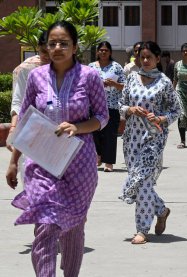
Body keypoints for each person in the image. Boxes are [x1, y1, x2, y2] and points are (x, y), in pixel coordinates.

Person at [5, 20, 109, 277]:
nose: (58, 48)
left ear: (75, 47)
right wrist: (13, 161)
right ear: (46, 47)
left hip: (79, 163)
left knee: (73, 227)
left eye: (64, 43)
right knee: (46, 225)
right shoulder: (36, 77)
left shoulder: (90, 76)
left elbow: (103, 117)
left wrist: (78, 127)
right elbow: (27, 120)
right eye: (52, 43)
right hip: (41, 163)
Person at [118, 41, 181, 244]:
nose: (144, 61)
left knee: (143, 180)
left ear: (157, 59)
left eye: (149, 57)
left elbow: (176, 110)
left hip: (153, 138)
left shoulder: (164, 82)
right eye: (141, 57)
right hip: (131, 138)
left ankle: (142, 230)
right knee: (137, 181)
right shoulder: (131, 79)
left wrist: (161, 118)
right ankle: (161, 210)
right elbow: (120, 104)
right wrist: (129, 110)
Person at [7, 31, 50, 151]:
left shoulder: (68, 70)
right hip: (30, 128)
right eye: (43, 51)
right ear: (38, 48)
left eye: (50, 52)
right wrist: (13, 128)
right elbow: (18, 101)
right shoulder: (27, 69)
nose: (47, 56)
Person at [89, 41, 126, 172]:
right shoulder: (91, 67)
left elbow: (124, 86)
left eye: (106, 50)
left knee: (110, 134)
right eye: (101, 50)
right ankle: (97, 156)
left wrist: (115, 84)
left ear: (110, 52)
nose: (103, 52)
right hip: (94, 105)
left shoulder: (116, 67)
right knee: (95, 133)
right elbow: (85, 85)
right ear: (98, 52)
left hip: (112, 105)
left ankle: (109, 162)